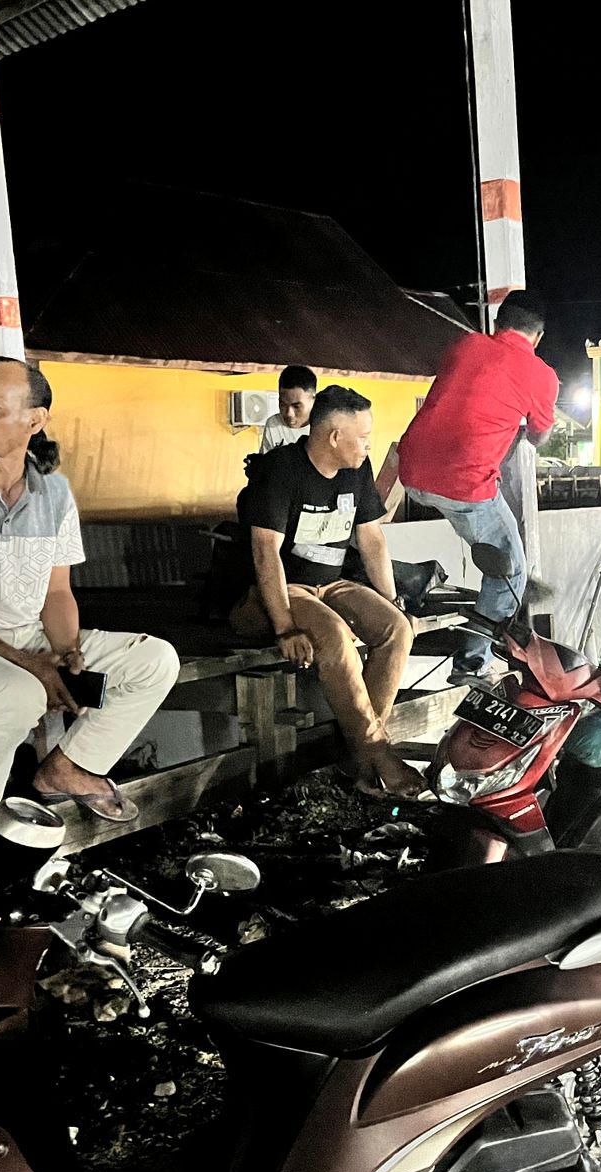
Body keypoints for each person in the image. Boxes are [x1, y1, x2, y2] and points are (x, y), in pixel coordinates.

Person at [0, 358, 181, 821]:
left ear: (35, 420)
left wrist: (67, 654)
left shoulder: (54, 495)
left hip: (29, 640)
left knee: (155, 660)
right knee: (19, 694)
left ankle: (69, 768)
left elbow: (56, 593)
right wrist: (27, 663)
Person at [233, 385, 426, 797]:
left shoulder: (357, 469)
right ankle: (377, 752)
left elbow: (371, 539)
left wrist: (393, 601)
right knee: (335, 637)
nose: (369, 444)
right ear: (335, 436)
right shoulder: (281, 470)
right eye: (364, 436)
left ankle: (361, 758)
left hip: (333, 583)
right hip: (284, 589)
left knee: (397, 629)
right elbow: (265, 552)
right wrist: (285, 627)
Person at [396, 291, 558, 681]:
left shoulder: (465, 345)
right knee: (510, 571)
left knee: (499, 545)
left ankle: (415, 577)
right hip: (464, 483)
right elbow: (539, 437)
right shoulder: (542, 376)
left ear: (497, 323)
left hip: (412, 469)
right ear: (538, 337)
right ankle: (472, 663)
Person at [259, 365, 317, 453]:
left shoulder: (323, 427)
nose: (289, 413)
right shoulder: (273, 424)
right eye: (283, 405)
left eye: (296, 406)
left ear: (313, 401)